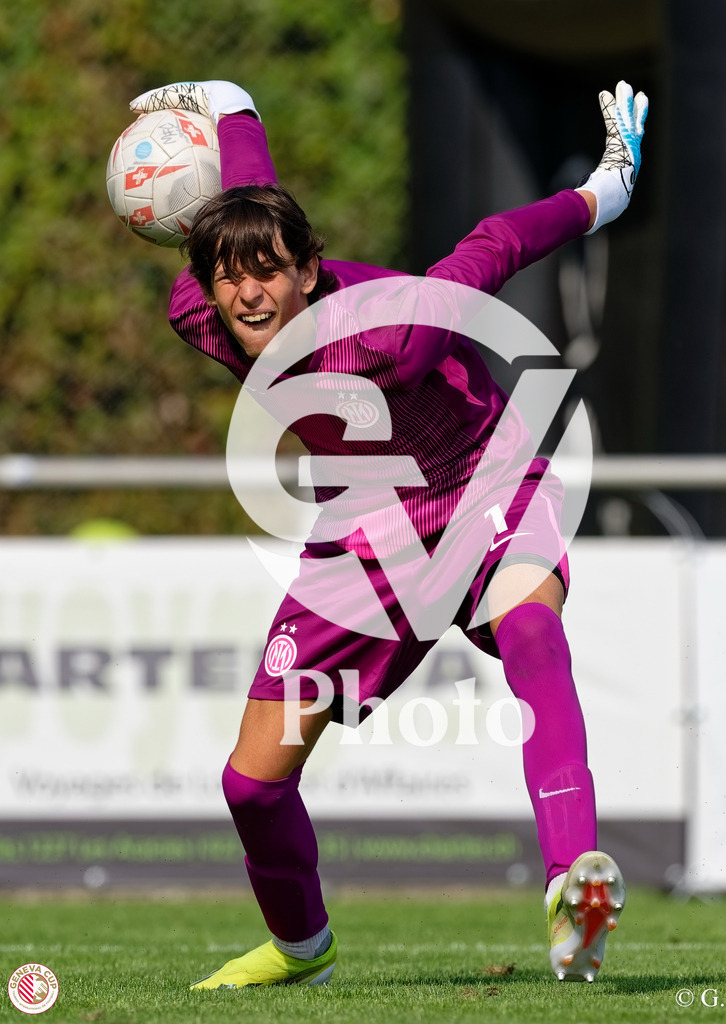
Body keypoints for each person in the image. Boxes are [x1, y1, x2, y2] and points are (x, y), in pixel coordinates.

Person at [129, 77, 648, 988]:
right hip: (366, 526)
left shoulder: (389, 331)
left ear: (307, 271)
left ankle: (574, 890)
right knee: (250, 785)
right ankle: (302, 949)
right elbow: (249, 207)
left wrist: (604, 190)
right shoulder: (201, 316)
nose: (250, 293)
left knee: (531, 629)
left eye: (270, 272)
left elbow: (492, 248)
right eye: (230, 275)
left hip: (484, 479)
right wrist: (233, 105)